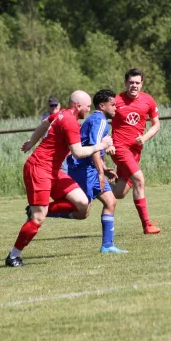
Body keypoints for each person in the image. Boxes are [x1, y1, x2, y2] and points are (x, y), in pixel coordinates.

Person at [5, 90, 113, 267]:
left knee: (82, 203)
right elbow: (77, 153)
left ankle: (38, 211)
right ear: (78, 106)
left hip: (53, 171)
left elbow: (43, 125)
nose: (88, 109)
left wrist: (32, 142)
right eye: (87, 106)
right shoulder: (69, 121)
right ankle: (13, 256)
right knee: (38, 218)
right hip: (39, 169)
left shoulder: (60, 114)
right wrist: (100, 145)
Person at [65, 89, 127, 253]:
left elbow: (95, 148)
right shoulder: (100, 121)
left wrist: (104, 169)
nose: (116, 108)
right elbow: (94, 147)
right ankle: (42, 211)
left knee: (110, 202)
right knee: (82, 212)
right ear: (102, 105)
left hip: (91, 168)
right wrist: (101, 173)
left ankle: (107, 245)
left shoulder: (95, 119)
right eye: (113, 105)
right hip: (85, 170)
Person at [111, 68, 161, 234]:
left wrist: (144, 138)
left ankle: (91, 185)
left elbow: (156, 125)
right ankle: (146, 225)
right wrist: (107, 143)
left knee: (119, 192)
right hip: (120, 148)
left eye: (137, 83)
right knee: (139, 179)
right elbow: (100, 121)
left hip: (135, 151)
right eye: (131, 82)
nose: (134, 85)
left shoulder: (148, 100)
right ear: (125, 83)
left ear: (142, 84)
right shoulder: (116, 101)